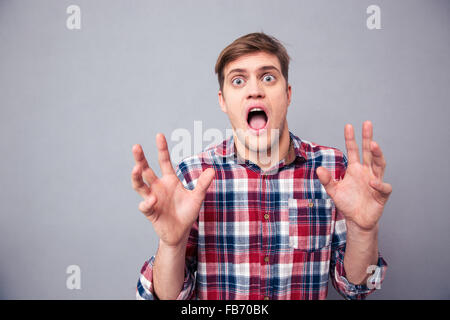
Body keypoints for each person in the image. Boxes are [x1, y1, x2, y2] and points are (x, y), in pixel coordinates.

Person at [131, 32, 391, 300]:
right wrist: (171, 245)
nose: (254, 90)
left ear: (288, 94)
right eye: (238, 80)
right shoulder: (195, 175)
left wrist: (363, 230)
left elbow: (357, 287)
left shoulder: (331, 170)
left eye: (268, 77)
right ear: (223, 100)